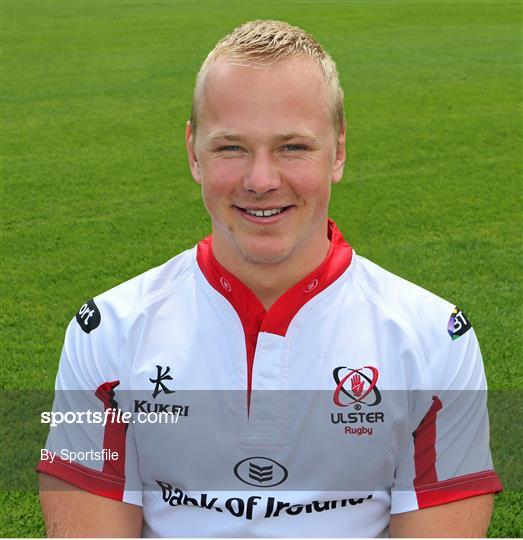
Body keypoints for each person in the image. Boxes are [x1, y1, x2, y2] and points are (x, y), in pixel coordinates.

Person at [38, 20, 502, 537]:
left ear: (339, 151)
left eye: (293, 147)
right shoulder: (107, 332)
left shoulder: (434, 339)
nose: (261, 180)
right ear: (194, 152)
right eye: (232, 148)